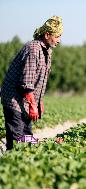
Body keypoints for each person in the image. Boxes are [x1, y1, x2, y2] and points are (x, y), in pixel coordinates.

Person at [0, 16, 63, 150]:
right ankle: (13, 164)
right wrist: (33, 105)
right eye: (57, 36)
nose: (59, 40)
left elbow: (41, 80)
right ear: (47, 35)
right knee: (18, 138)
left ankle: (25, 162)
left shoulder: (47, 51)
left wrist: (39, 102)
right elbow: (26, 83)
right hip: (14, 99)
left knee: (27, 135)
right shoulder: (33, 49)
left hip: (26, 100)